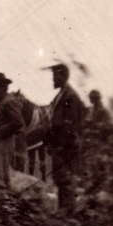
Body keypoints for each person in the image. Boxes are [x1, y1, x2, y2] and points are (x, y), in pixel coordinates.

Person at [43, 63, 88, 211]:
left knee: (65, 180)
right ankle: (64, 211)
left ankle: (68, 214)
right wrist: (50, 142)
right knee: (60, 179)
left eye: (55, 76)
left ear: (63, 77)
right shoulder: (62, 95)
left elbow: (70, 124)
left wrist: (61, 145)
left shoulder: (70, 97)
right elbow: (55, 122)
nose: (53, 80)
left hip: (65, 146)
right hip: (59, 146)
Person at [0, 73, 23, 200]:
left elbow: (18, 123)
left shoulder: (9, 101)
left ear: (2, 87)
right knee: (4, 178)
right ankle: (8, 208)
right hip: (2, 142)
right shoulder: (3, 101)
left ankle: (4, 208)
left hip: (5, 142)